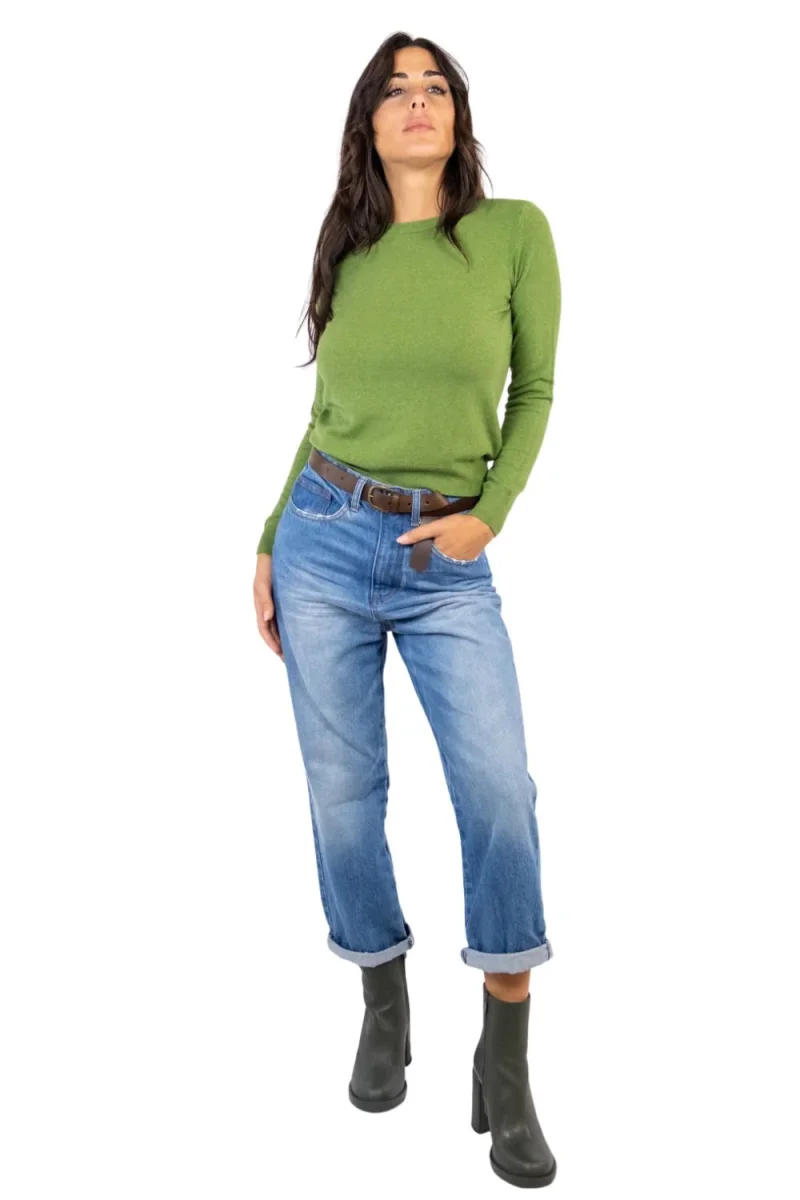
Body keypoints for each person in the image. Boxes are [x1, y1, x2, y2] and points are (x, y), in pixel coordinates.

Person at [252, 32, 561, 1190]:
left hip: (446, 555)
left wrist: (491, 514)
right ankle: (383, 998)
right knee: (343, 799)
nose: (417, 101)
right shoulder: (350, 249)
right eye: (395, 89)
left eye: (435, 87)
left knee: (498, 793)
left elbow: (534, 389)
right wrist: (272, 537)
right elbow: (326, 414)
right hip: (322, 538)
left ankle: (505, 1060)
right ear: (369, 125)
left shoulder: (513, 233)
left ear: (456, 117)